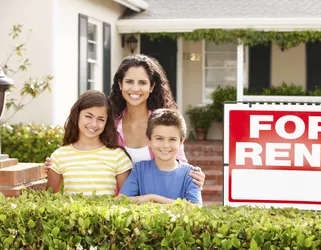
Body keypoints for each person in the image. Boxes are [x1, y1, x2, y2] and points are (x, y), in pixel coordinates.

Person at [45, 54, 205, 188]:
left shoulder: (164, 124)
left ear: (151, 87)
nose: (135, 88)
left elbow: (179, 164)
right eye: (129, 82)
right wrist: (56, 164)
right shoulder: (109, 123)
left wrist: (196, 177)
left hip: (156, 205)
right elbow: (86, 150)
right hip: (119, 207)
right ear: (120, 84)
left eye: (142, 82)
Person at [46, 90, 133, 195]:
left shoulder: (118, 156)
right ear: (77, 115)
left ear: (107, 122)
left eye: (101, 119)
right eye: (88, 116)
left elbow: (127, 199)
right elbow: (50, 197)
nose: (94, 124)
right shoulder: (59, 156)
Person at [119, 108, 202, 206]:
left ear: (181, 142)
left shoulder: (190, 174)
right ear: (149, 141)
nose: (165, 145)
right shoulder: (140, 169)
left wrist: (152, 198)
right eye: (159, 138)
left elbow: (196, 208)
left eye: (172, 139)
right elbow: (121, 200)